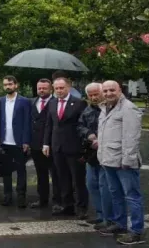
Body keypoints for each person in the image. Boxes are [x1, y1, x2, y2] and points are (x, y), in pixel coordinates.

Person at [97, 80, 145, 244]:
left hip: (124, 162)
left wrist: (128, 160)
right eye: (106, 90)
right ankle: (120, 224)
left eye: (112, 90)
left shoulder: (128, 108)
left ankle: (136, 231)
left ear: (120, 90)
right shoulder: (105, 107)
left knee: (132, 196)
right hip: (108, 159)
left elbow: (132, 137)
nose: (109, 93)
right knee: (115, 194)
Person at [43, 77, 88, 218]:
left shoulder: (79, 103)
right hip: (57, 147)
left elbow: (83, 125)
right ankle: (67, 205)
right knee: (62, 178)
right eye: (56, 88)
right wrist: (46, 143)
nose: (59, 91)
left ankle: (82, 207)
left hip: (74, 147)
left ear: (69, 87)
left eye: (62, 88)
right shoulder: (52, 103)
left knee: (78, 179)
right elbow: (49, 125)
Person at [78, 83, 109, 226]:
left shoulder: (110, 108)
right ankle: (99, 213)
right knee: (91, 184)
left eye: (96, 94)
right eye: (91, 95)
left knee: (105, 186)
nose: (94, 97)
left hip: (107, 154)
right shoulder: (88, 109)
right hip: (91, 154)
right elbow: (80, 126)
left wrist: (100, 140)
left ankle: (108, 217)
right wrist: (89, 134)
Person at [0, 76, 32, 208]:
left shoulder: (24, 101)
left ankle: (21, 196)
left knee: (21, 170)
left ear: (16, 85)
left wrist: (26, 140)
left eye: (10, 84)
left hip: (18, 142)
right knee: (6, 171)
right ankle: (7, 196)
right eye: (5, 84)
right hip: (4, 141)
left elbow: (27, 122)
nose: (8, 87)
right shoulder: (0, 101)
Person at [29, 78, 60, 209]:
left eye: (44, 88)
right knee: (41, 174)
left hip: (52, 145)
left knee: (56, 174)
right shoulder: (32, 101)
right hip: (36, 144)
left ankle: (58, 201)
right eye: (39, 88)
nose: (41, 90)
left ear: (51, 89)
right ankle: (42, 199)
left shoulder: (56, 102)